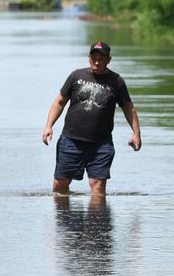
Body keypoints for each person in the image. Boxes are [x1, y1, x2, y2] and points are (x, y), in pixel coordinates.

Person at [41, 40, 141, 196]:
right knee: (59, 188)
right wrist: (49, 126)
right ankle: (65, 218)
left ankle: (96, 220)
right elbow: (59, 101)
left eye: (101, 59)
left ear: (109, 59)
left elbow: (128, 108)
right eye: (94, 58)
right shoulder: (76, 76)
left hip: (101, 145)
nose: (97, 62)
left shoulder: (117, 81)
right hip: (71, 141)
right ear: (89, 58)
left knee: (99, 189)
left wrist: (136, 134)